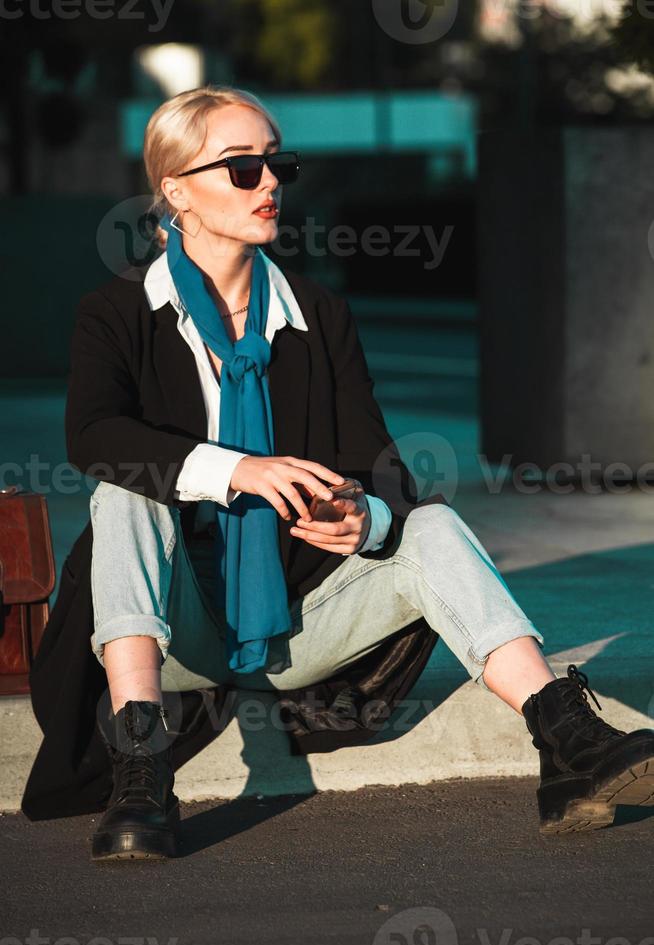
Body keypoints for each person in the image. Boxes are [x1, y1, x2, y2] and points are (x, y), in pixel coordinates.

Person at [69, 85, 653, 861]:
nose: (271, 182)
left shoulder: (318, 315)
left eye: (279, 164)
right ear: (177, 190)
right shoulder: (118, 315)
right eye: (244, 168)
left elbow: (381, 469)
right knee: (125, 490)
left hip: (304, 622)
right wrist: (238, 470)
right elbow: (94, 435)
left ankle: (566, 740)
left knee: (433, 524)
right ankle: (140, 773)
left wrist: (363, 520)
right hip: (176, 629)